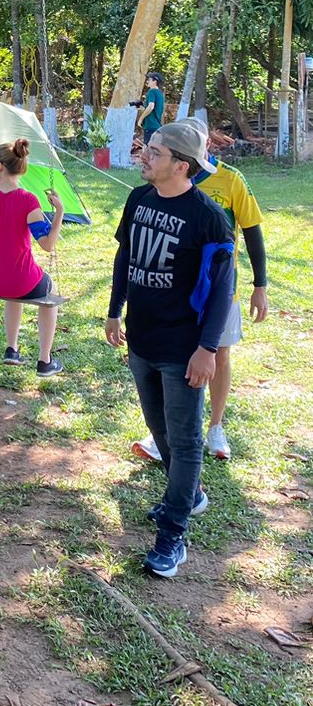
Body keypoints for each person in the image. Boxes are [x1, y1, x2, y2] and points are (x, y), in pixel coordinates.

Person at [105, 119, 234, 579]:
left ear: (181, 165)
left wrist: (208, 349)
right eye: (148, 147)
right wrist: (114, 310)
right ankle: (190, 494)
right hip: (142, 338)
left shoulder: (208, 218)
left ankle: (173, 533)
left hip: (184, 347)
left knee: (185, 439)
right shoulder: (138, 198)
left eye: (155, 152)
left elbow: (222, 290)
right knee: (158, 428)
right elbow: (125, 257)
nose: (144, 155)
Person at [132, 117, 268, 464]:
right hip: (174, 295)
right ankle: (162, 432)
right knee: (172, 364)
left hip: (219, 291)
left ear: (205, 145)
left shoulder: (231, 179)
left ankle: (215, 426)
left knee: (217, 353)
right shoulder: (165, 178)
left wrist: (260, 285)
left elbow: (252, 230)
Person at [0, 139, 65, 376]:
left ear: (0, 166)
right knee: (49, 290)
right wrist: (59, 212)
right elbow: (47, 244)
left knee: (13, 288)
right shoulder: (28, 200)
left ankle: (12, 349)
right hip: (22, 281)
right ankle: (45, 360)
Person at [133, 72, 165, 143]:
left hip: (150, 126)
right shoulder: (160, 94)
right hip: (157, 126)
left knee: (147, 147)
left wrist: (140, 119)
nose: (147, 81)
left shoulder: (152, 91)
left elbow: (151, 107)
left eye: (149, 80)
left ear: (155, 81)